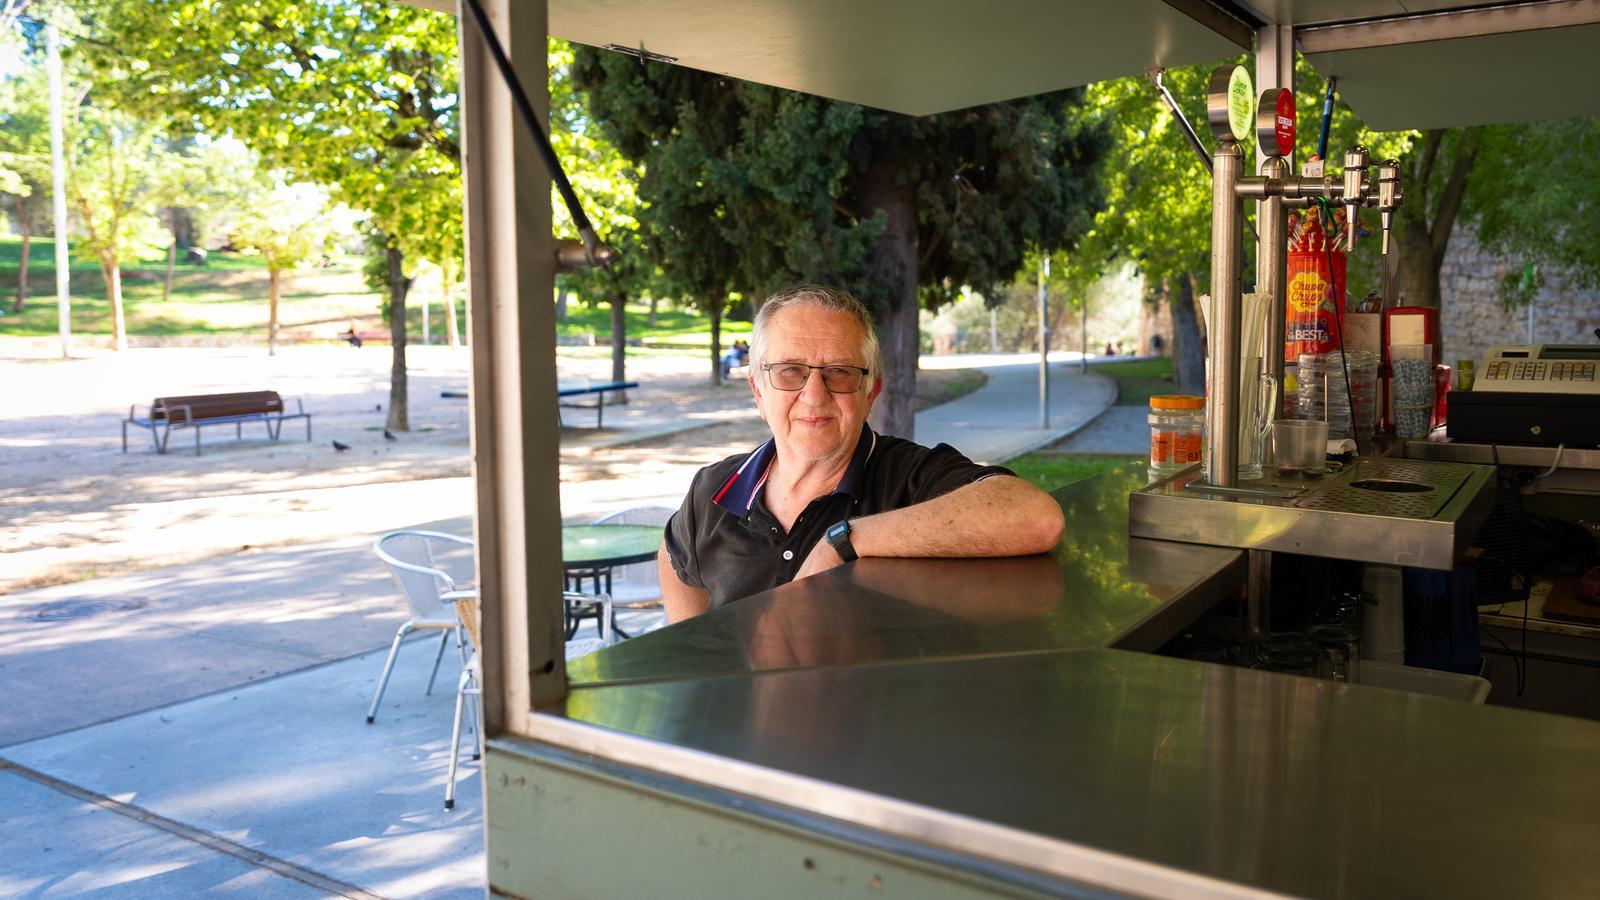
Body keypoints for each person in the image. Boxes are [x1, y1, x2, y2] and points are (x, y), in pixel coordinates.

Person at [659, 284, 1066, 622]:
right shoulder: (713, 490)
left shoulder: (909, 478)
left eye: (839, 372)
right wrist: (696, 658)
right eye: (790, 372)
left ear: (870, 392)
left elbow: (1037, 517)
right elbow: (675, 558)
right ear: (758, 391)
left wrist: (846, 540)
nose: (814, 397)